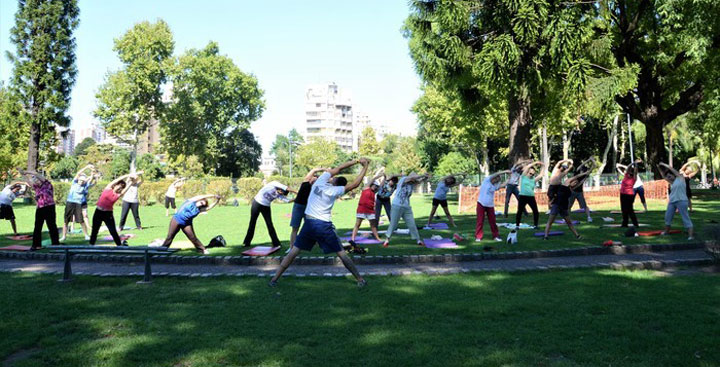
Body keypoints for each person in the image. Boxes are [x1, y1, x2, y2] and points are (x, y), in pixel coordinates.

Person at [269, 158, 371, 287]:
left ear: (332, 179)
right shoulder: (336, 190)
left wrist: (356, 161)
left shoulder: (321, 180)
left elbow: (339, 167)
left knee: (293, 252)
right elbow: (355, 184)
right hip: (323, 226)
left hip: (309, 224)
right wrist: (365, 167)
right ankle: (360, 280)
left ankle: (274, 280)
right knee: (341, 253)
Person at [382, 172, 431, 248]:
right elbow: (413, 178)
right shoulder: (403, 179)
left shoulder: (411, 184)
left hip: (406, 207)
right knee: (393, 224)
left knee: (412, 224)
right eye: (414, 177)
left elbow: (419, 181)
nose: (414, 179)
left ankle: (418, 240)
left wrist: (426, 177)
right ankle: (387, 240)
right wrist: (422, 175)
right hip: (397, 205)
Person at [89, 173, 138, 246]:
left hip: (108, 215)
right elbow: (117, 179)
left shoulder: (118, 195)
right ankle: (91, 246)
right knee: (95, 231)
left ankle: (119, 246)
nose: (120, 188)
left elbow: (128, 187)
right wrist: (128, 175)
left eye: (121, 188)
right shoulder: (108, 188)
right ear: (115, 185)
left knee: (113, 231)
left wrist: (132, 181)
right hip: (98, 212)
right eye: (119, 186)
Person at [243, 180, 296, 248]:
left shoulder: (279, 195)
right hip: (257, 203)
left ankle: (276, 243)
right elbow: (287, 188)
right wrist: (297, 192)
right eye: (281, 192)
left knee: (269, 224)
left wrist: (298, 197)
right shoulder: (274, 183)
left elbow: (288, 201)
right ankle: (247, 242)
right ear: (281, 189)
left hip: (266, 207)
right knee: (252, 222)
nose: (280, 194)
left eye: (282, 194)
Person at [19, 169, 60, 250]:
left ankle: (55, 244)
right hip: (40, 208)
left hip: (49, 207)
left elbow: (36, 173)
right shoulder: (36, 188)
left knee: (52, 226)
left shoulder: (47, 184)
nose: (36, 181)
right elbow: (28, 182)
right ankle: (36, 245)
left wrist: (27, 172)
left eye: (37, 180)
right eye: (34, 180)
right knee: (37, 227)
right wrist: (23, 174)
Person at [289, 168, 326, 249]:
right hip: (298, 207)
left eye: (316, 180)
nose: (314, 180)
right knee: (295, 228)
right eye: (313, 178)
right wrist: (324, 169)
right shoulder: (305, 183)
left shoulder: (317, 190)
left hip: (308, 209)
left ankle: (315, 243)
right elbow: (313, 170)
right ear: (311, 178)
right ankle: (291, 247)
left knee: (311, 227)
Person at [349, 171, 386, 253]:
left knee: (373, 226)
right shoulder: (366, 188)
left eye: (376, 186)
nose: (376, 187)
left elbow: (381, 185)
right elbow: (373, 179)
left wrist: (385, 178)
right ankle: (352, 239)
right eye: (374, 186)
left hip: (370, 210)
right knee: (357, 225)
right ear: (372, 184)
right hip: (362, 209)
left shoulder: (374, 192)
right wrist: (379, 175)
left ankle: (377, 238)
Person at [658, 163, 694, 240]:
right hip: (672, 202)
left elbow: (672, 170)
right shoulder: (672, 182)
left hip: (681, 201)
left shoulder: (681, 178)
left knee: (685, 218)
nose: (669, 178)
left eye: (670, 176)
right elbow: (663, 176)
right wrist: (659, 168)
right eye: (668, 177)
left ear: (674, 175)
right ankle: (666, 232)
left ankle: (690, 236)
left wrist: (664, 165)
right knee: (667, 217)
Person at [543, 172, 583, 240]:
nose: (575, 183)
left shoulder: (572, 189)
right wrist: (584, 172)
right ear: (571, 181)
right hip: (557, 205)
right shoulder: (565, 184)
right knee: (550, 221)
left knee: (569, 222)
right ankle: (546, 236)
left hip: (564, 207)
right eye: (574, 182)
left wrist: (587, 174)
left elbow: (581, 181)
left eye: (576, 183)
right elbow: (577, 176)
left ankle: (577, 236)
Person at [60, 164, 95, 242]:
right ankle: (64, 236)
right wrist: (87, 167)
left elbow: (91, 178)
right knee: (66, 221)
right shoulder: (74, 182)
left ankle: (86, 235)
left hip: (78, 204)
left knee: (81, 220)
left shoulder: (85, 185)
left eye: (82, 181)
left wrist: (92, 172)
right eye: (80, 180)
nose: (80, 181)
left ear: (84, 181)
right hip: (70, 203)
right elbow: (78, 173)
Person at [476, 170, 510, 242]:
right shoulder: (487, 180)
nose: (496, 180)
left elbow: (503, 184)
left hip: (490, 205)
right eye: (496, 178)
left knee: (493, 221)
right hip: (481, 203)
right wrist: (505, 171)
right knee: (480, 221)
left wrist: (510, 177)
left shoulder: (495, 186)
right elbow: (497, 173)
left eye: (498, 179)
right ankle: (478, 236)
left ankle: (496, 236)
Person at [516, 161, 544, 229]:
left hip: (531, 197)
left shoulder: (533, 179)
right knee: (520, 211)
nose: (531, 175)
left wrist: (543, 166)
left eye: (532, 174)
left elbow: (540, 175)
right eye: (530, 173)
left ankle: (535, 225)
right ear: (527, 172)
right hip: (523, 196)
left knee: (535, 211)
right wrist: (535, 163)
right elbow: (528, 167)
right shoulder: (523, 177)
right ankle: (517, 225)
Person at [567, 158, 596, 222]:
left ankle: (589, 217)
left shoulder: (585, 175)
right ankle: (567, 218)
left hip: (579, 192)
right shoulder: (576, 172)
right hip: (572, 191)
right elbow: (581, 165)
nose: (581, 170)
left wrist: (593, 161)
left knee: (584, 206)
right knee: (569, 206)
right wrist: (588, 160)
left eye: (582, 170)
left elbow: (593, 167)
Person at [616, 160, 643, 229]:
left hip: (629, 194)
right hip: (623, 194)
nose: (630, 172)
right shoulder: (626, 175)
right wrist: (632, 163)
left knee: (630, 210)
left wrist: (636, 165)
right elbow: (628, 168)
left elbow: (635, 171)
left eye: (631, 171)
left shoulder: (634, 178)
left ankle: (635, 224)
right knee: (623, 210)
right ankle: (625, 224)